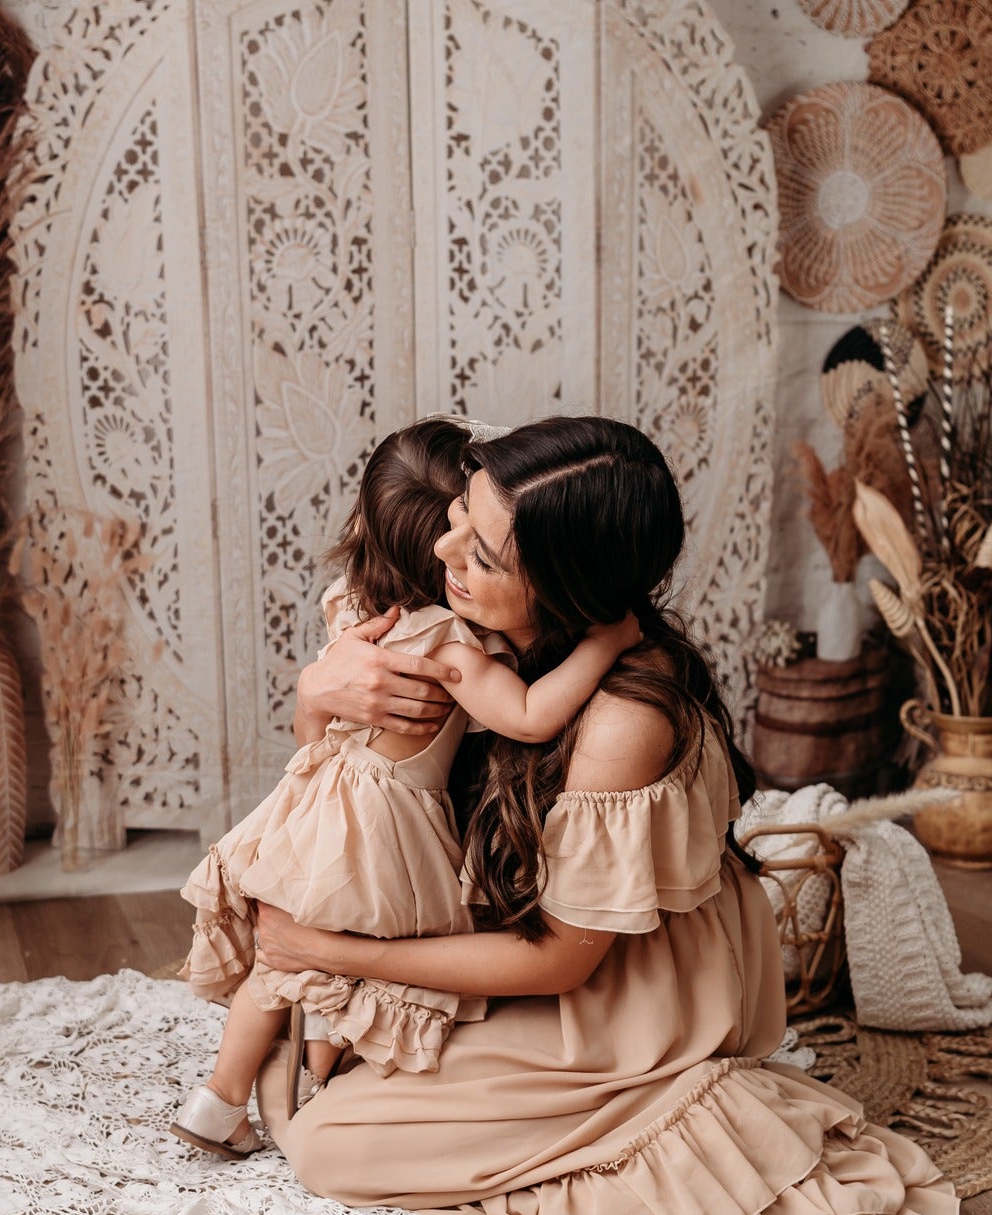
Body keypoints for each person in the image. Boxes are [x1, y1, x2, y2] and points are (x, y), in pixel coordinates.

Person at [250, 415, 959, 1215]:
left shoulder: (624, 717)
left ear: (566, 586)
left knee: (324, 1144)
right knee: (333, 1045)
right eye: (462, 515)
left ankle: (639, 1124)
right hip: (523, 937)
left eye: (484, 553)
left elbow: (560, 961)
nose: (445, 546)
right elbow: (343, 794)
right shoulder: (496, 640)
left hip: (620, 1001)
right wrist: (315, 698)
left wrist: (330, 952)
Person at [171, 416, 641, 1160]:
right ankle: (288, 1085)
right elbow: (528, 716)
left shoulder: (352, 606)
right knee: (317, 954)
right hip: (382, 823)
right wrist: (607, 642)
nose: (461, 548)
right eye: (456, 526)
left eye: (478, 541)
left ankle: (228, 1094)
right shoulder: (449, 644)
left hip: (313, 808)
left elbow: (322, 749)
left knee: (289, 960)